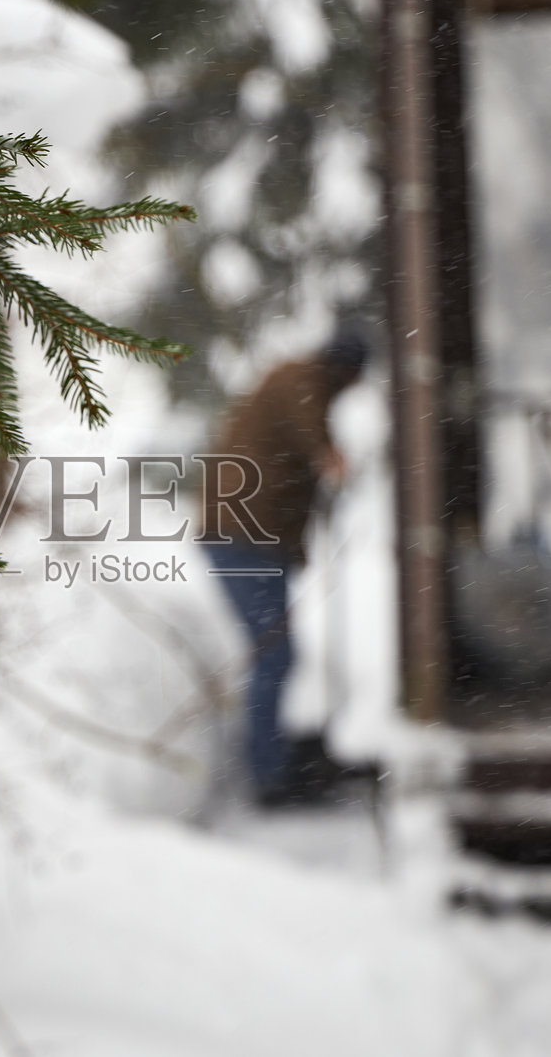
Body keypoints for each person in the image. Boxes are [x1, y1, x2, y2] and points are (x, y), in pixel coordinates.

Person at [202, 327, 370, 806]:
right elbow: (311, 435)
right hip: (243, 537)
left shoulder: (300, 381)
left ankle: (272, 762)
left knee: (276, 655)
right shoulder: (301, 380)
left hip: (252, 537)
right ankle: (268, 778)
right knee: (274, 655)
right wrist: (332, 460)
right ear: (348, 370)